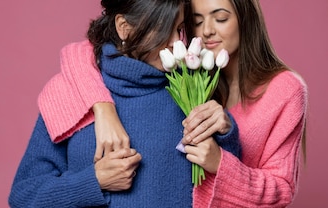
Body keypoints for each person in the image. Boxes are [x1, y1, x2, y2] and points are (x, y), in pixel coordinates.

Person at [37, 0, 308, 207]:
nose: (207, 32)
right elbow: (85, 49)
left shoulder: (283, 90)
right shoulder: (185, 75)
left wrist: (220, 162)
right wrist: (102, 106)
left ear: (246, 19)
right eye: (195, 22)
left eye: (221, 17)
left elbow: (281, 191)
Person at [8, 0, 241, 207]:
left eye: (179, 29)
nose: (173, 42)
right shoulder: (70, 93)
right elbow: (24, 196)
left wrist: (225, 132)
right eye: (162, 29)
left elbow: (225, 189)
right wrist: (94, 182)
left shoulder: (191, 91)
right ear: (124, 27)